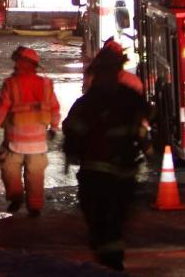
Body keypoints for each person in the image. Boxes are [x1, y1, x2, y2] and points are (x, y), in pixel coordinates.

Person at [63, 51, 151, 271]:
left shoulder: (88, 102)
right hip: (122, 172)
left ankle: (110, 263)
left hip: (98, 173)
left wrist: (72, 150)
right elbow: (151, 118)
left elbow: (72, 132)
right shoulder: (130, 97)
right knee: (113, 220)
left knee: (102, 221)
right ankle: (111, 260)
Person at [0, 46, 61, 217]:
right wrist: (54, 128)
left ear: (19, 63)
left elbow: (0, 110)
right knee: (35, 177)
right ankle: (34, 207)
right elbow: (55, 109)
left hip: (14, 143)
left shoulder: (10, 84)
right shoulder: (46, 85)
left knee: (9, 172)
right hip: (38, 145)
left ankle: (16, 198)